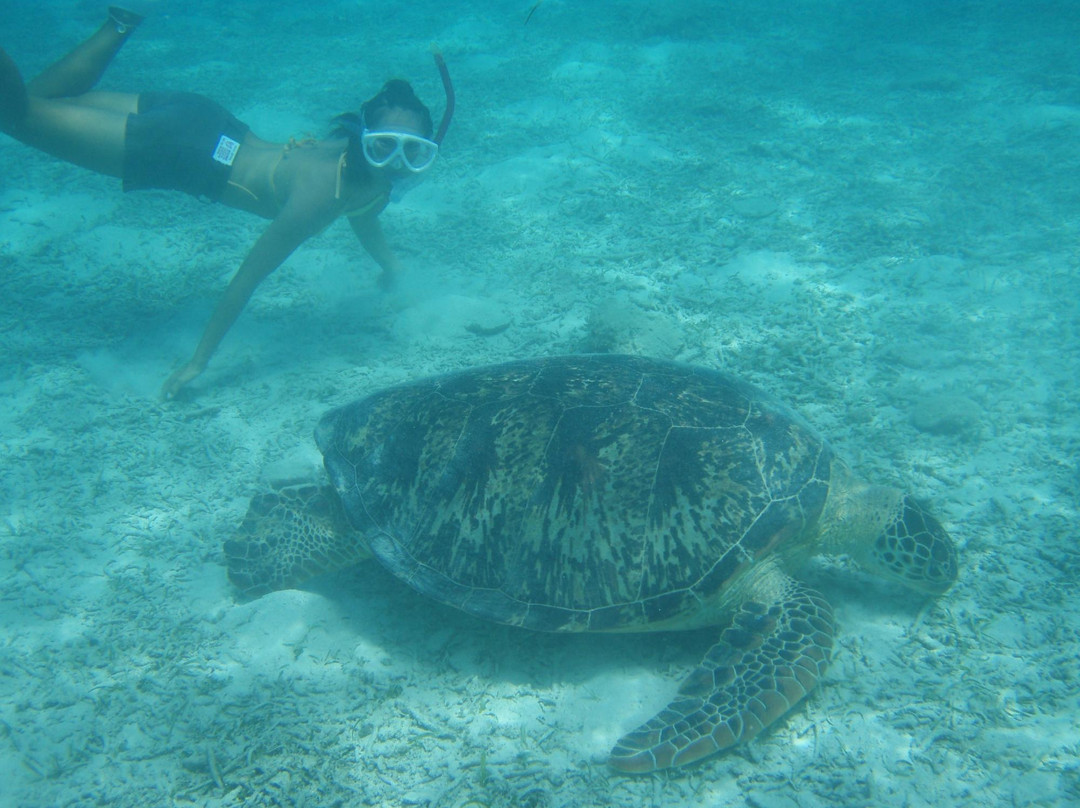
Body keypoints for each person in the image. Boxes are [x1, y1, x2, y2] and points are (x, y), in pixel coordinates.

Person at [0, 6, 454, 399]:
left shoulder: (363, 172)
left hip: (204, 118)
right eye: (385, 147)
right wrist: (198, 362)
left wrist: (391, 267)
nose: (396, 163)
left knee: (40, 98)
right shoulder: (319, 199)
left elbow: (364, 214)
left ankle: (123, 18)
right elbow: (247, 278)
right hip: (175, 148)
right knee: (17, 115)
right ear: (363, 141)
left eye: (413, 152)